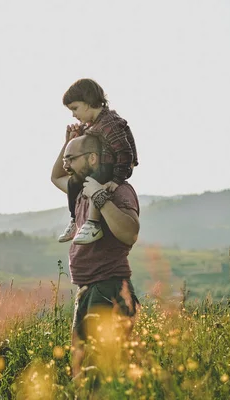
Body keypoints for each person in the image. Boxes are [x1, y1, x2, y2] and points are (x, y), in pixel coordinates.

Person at [50, 134, 141, 380]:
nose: (66, 164)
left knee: (104, 374)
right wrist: (67, 141)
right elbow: (55, 176)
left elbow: (130, 232)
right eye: (65, 158)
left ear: (92, 158)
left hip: (109, 287)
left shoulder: (117, 190)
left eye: (71, 158)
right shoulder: (79, 190)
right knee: (83, 372)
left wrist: (100, 198)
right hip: (88, 289)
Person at [58, 78, 139, 245]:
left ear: (88, 103)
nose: (73, 114)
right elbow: (90, 142)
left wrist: (117, 180)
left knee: (95, 177)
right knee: (73, 183)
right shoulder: (94, 124)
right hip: (105, 165)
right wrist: (76, 136)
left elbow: (124, 151)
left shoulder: (110, 123)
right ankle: (75, 220)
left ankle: (93, 224)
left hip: (119, 166)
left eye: (75, 108)